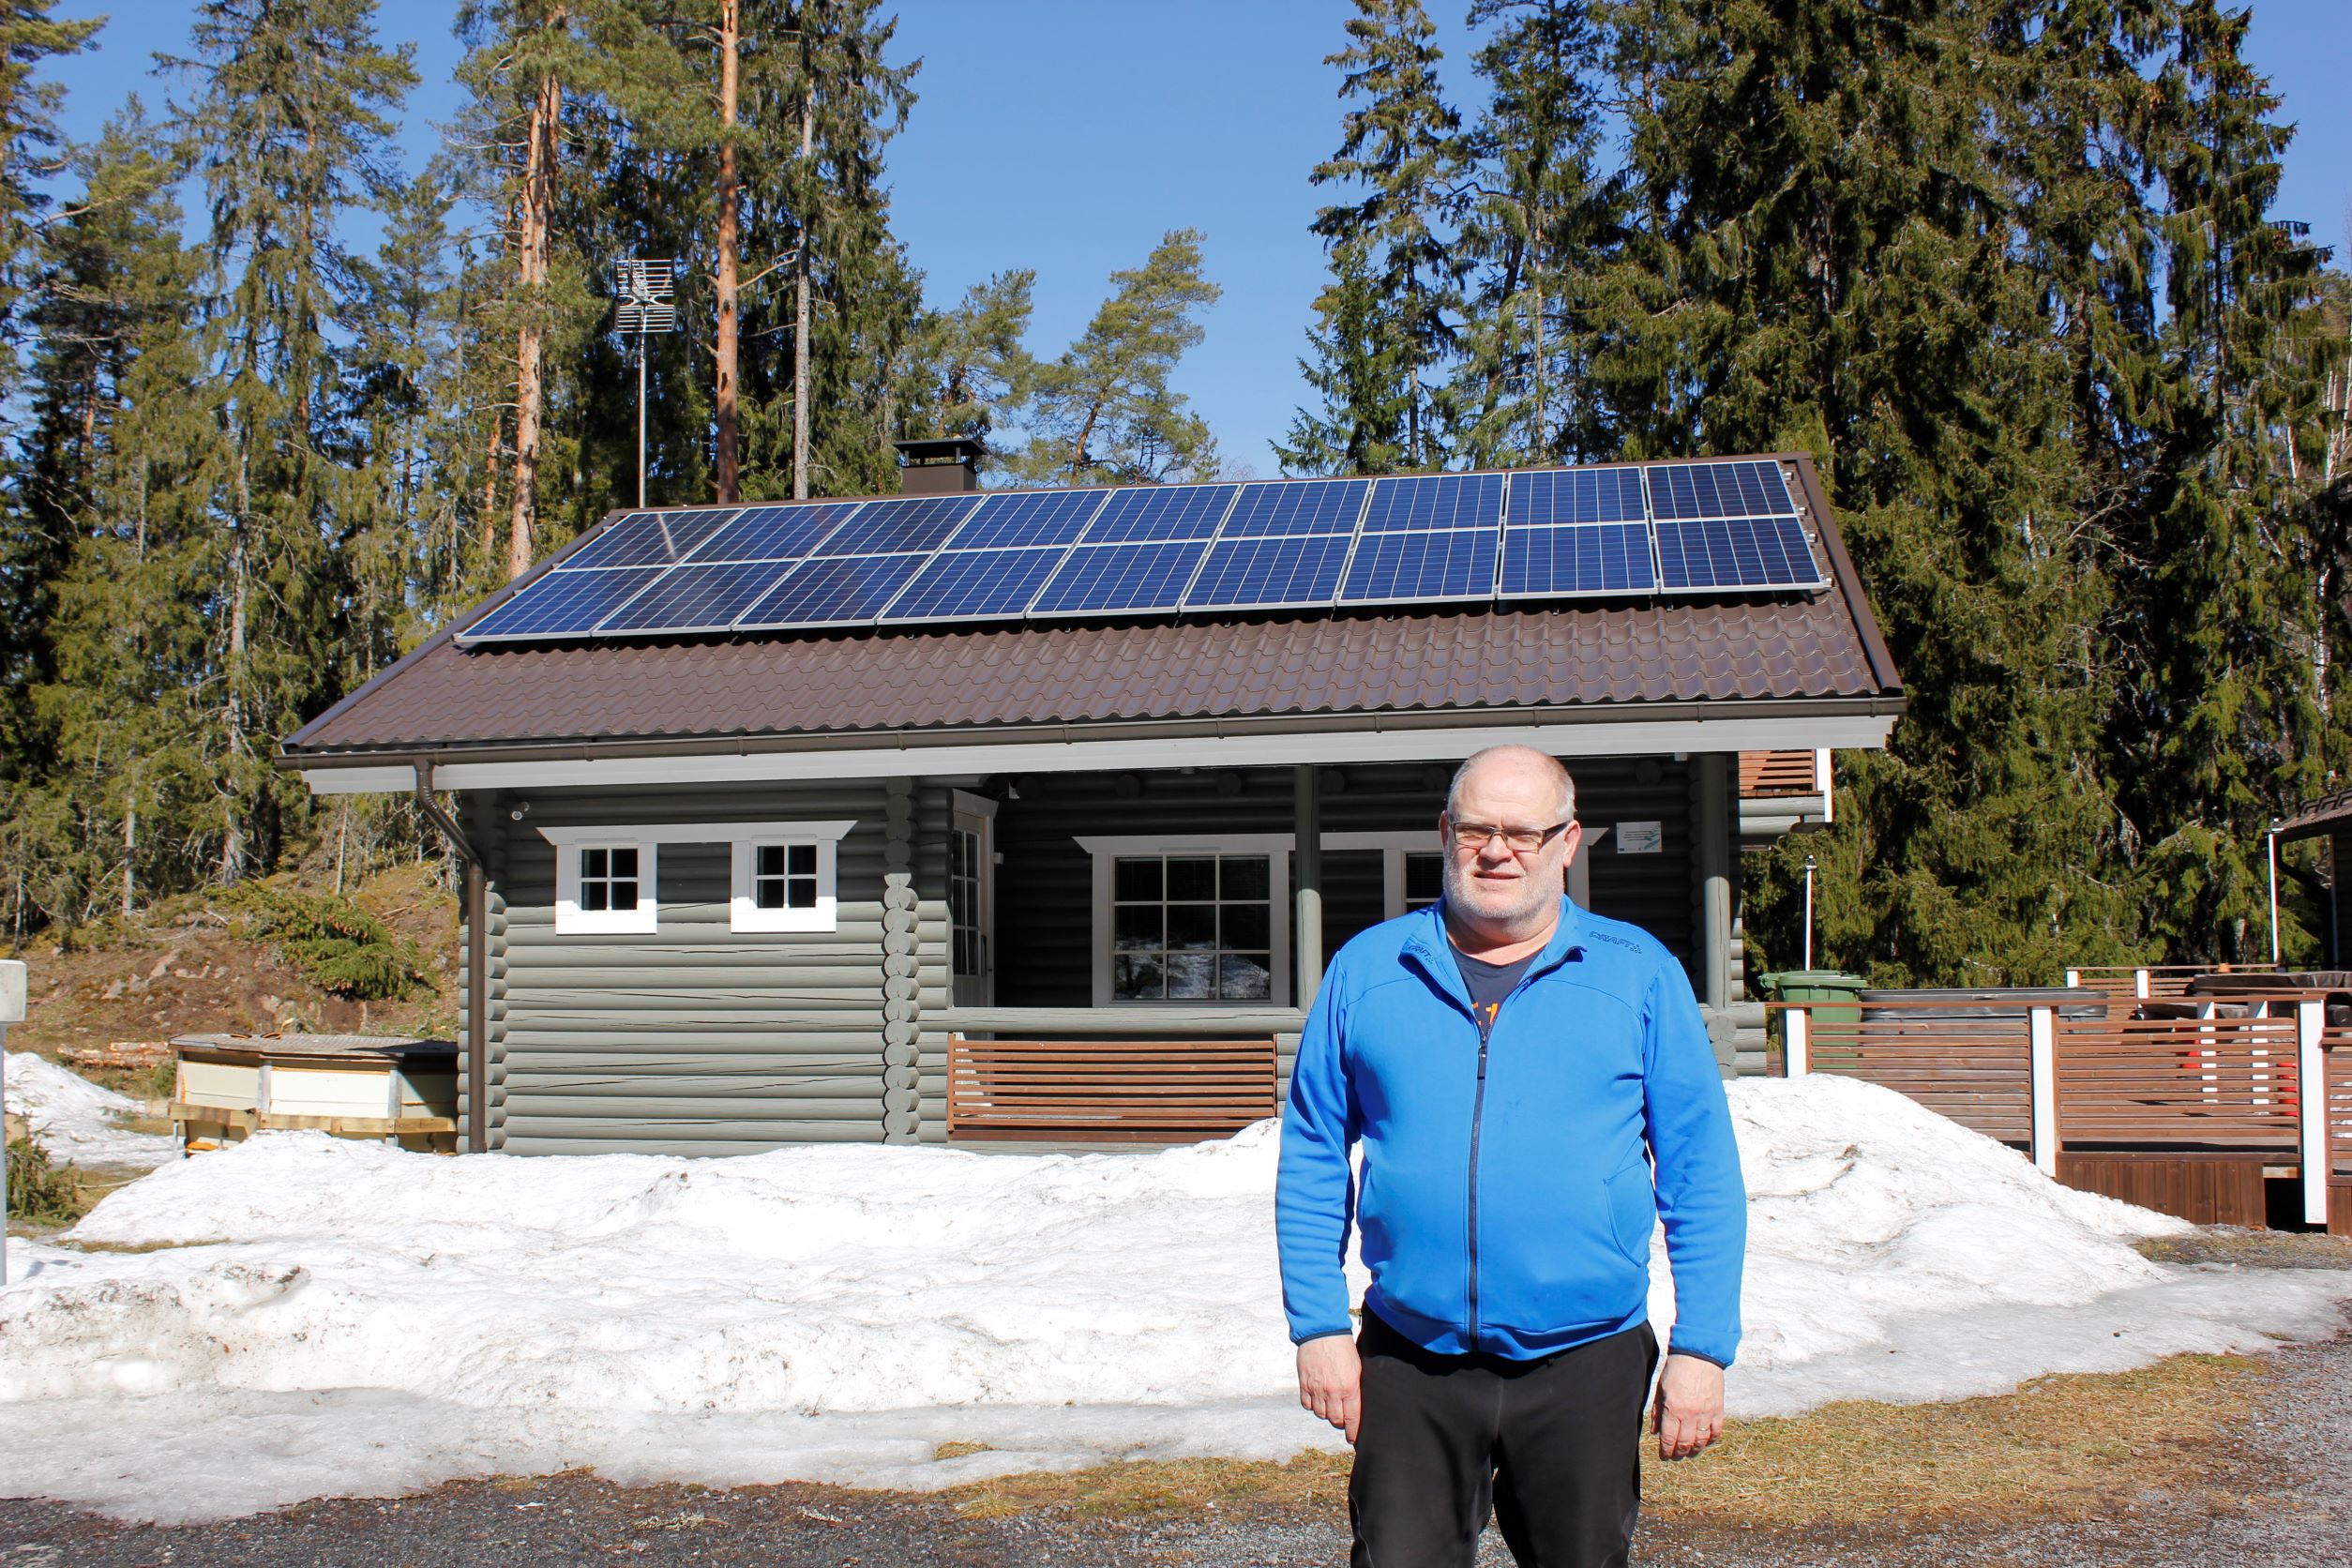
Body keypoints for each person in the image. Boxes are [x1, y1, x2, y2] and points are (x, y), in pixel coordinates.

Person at [1275, 745, 1746, 1568]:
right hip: (1411, 1359)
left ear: (1569, 843)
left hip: (1586, 1358)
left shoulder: (1637, 974)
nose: (1499, 851)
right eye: (1478, 828)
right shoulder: (1368, 970)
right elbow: (1314, 1152)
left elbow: (1700, 1169)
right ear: (1444, 832)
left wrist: (1701, 1347)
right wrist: (1318, 1327)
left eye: (1525, 832)